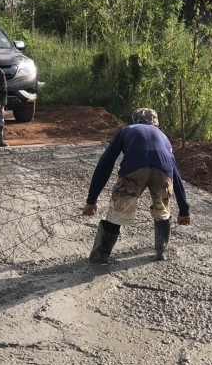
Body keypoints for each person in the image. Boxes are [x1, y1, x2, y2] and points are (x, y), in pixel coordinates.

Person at [82, 108, 192, 263]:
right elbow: (175, 173)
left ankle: (100, 256)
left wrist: (92, 200)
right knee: (162, 209)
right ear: (156, 123)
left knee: (118, 210)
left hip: (134, 170)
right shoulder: (163, 137)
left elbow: (105, 164)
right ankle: (161, 251)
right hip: (163, 173)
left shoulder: (127, 130)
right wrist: (184, 210)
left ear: (135, 120)